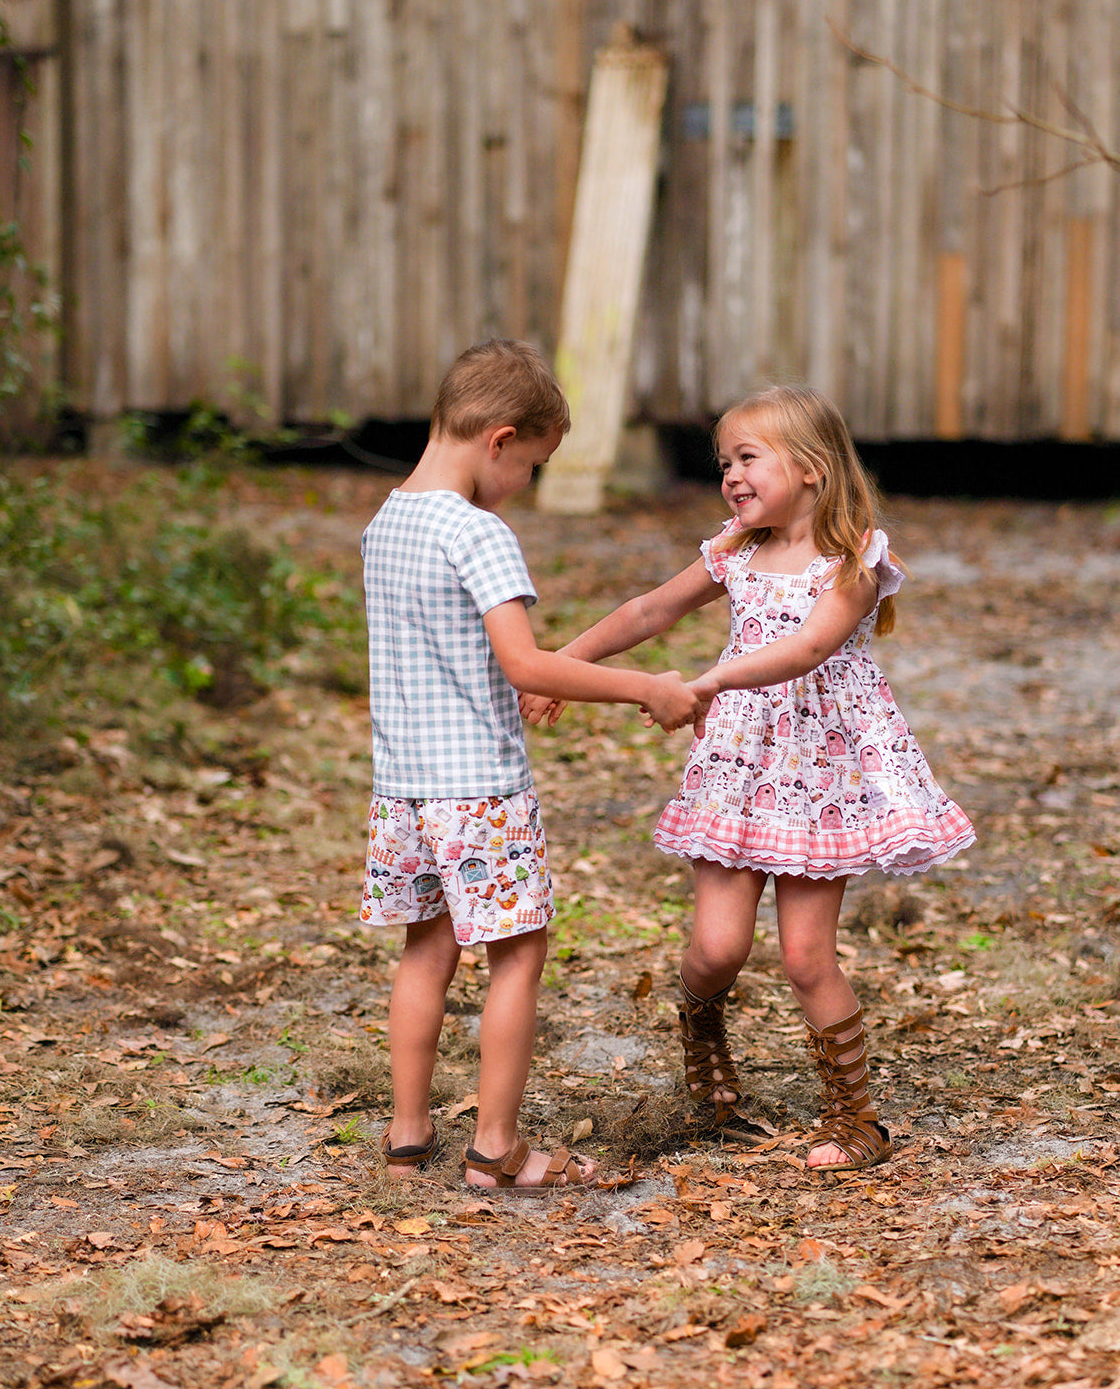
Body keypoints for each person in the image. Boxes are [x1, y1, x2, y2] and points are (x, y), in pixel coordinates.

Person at [521, 385, 975, 1172]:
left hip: (822, 779)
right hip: (740, 771)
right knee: (716, 949)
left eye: (748, 457)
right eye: (723, 461)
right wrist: (564, 665)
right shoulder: (734, 548)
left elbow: (805, 650)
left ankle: (857, 1119)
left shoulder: (857, 557)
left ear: (811, 467)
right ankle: (702, 1030)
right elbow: (647, 614)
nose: (730, 475)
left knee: (806, 956)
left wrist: (706, 683)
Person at [360, 338, 704, 1191]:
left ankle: (408, 1136)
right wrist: (644, 687)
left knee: (425, 952)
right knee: (517, 954)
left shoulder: (386, 522)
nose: (528, 486)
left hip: (403, 792)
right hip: (478, 791)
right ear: (501, 438)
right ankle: (496, 1149)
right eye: (536, 466)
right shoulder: (479, 533)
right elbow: (525, 664)